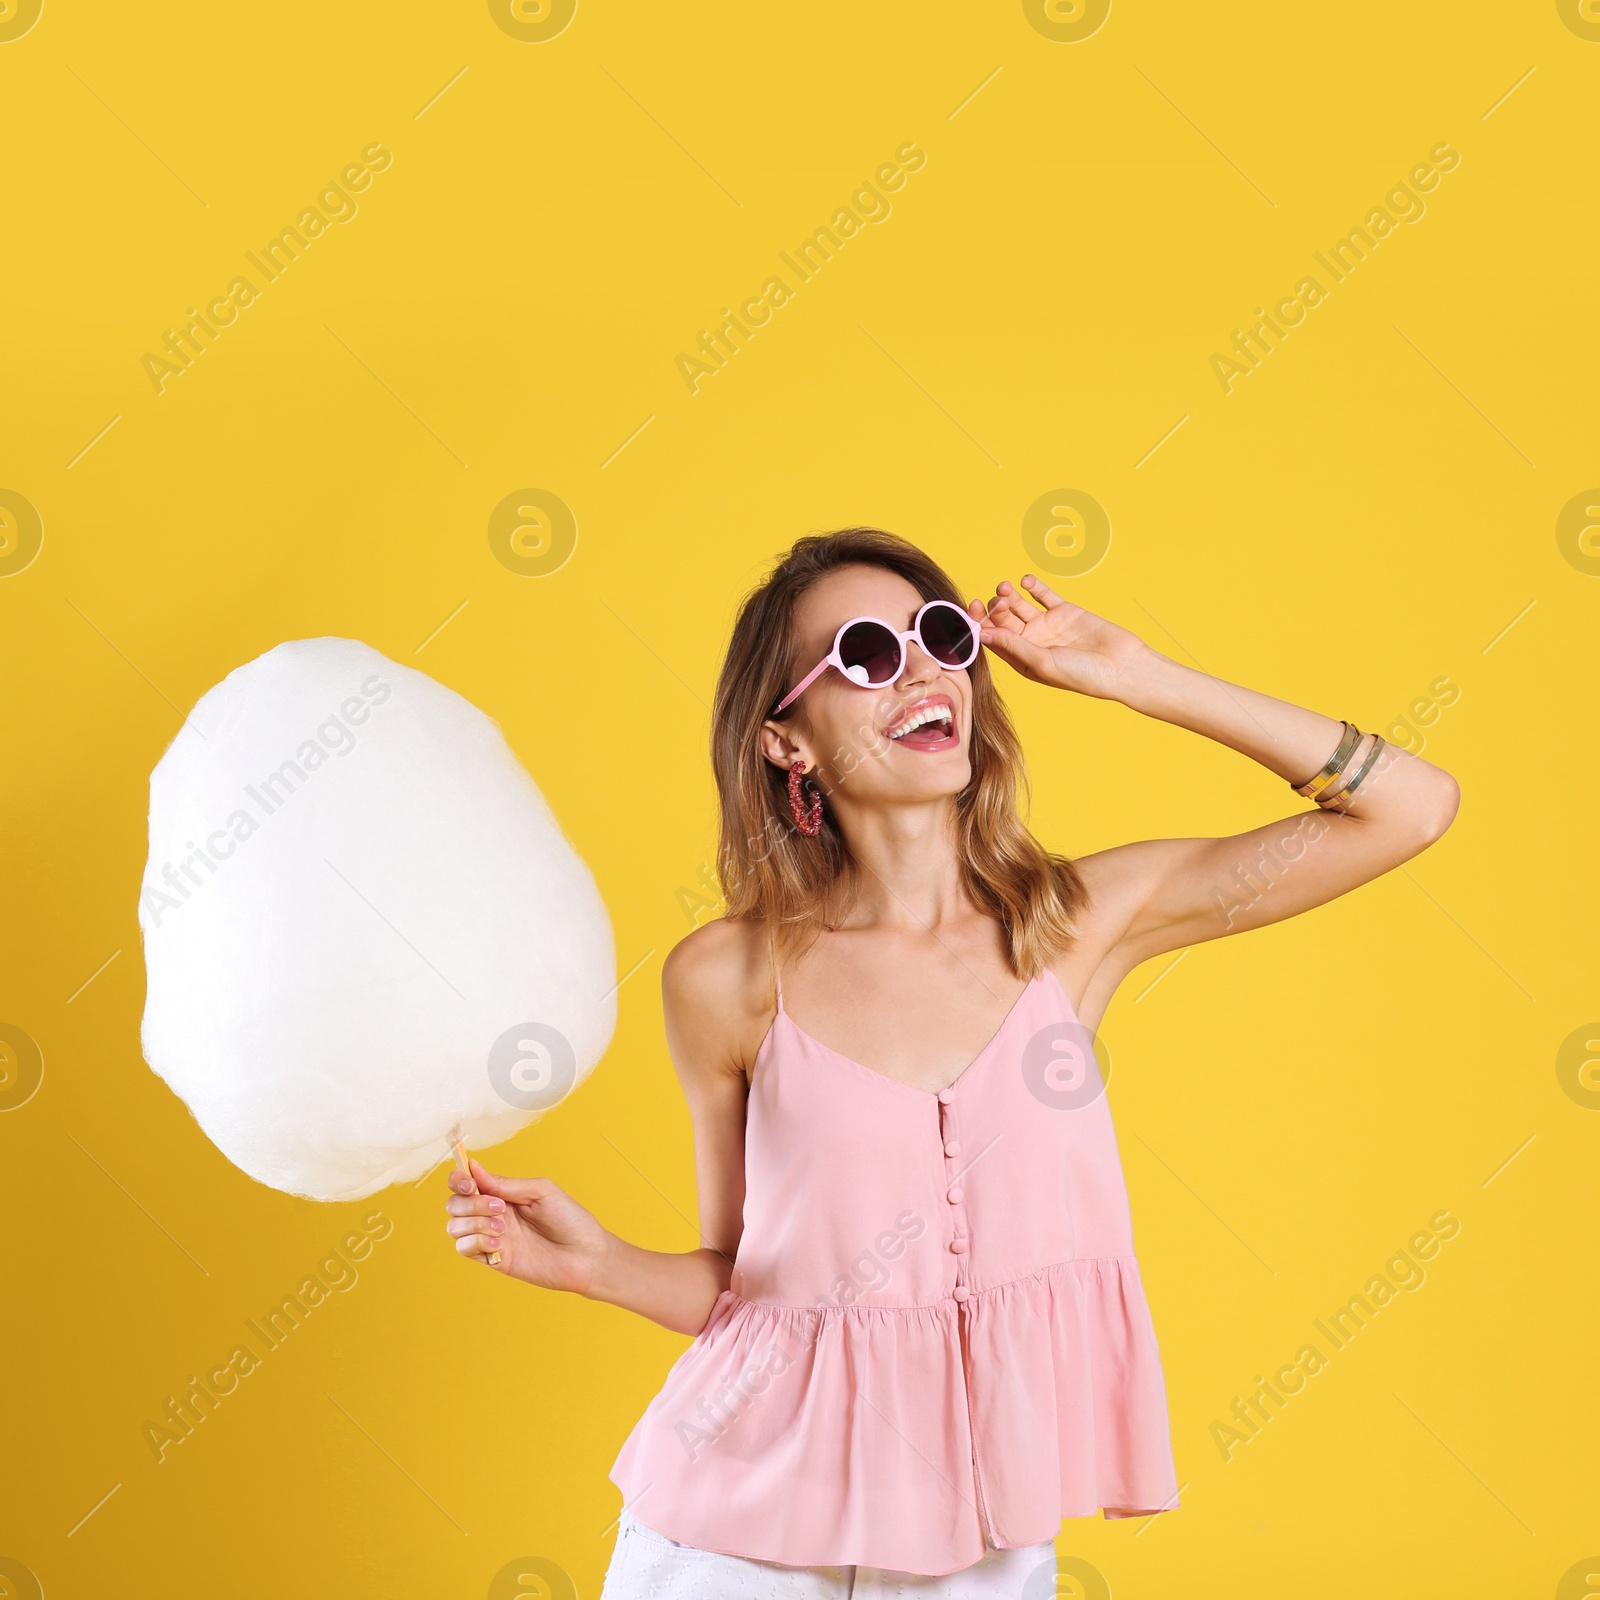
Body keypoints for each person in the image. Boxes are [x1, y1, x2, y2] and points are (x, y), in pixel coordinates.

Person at [445, 528, 1460, 1597]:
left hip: (978, 1543)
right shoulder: (728, 977)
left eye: (937, 637)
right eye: (866, 655)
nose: (925, 669)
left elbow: (1410, 806)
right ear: (786, 742)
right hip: (729, 1540)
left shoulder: (1075, 926)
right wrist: (591, 1262)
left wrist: (1134, 676)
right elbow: (751, 1287)